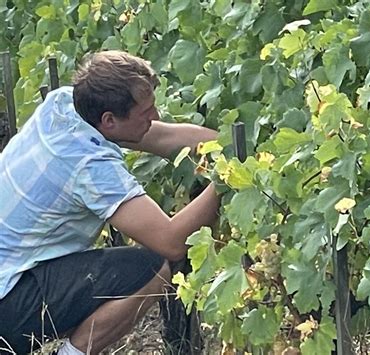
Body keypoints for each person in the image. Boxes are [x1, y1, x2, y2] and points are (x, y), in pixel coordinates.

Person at [0, 51, 220, 354]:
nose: (155, 115)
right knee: (152, 270)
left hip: (10, 276)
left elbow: (163, 136)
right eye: (146, 111)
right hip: (7, 301)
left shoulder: (64, 104)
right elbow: (170, 242)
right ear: (109, 120)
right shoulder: (88, 165)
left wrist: (228, 146)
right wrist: (229, 180)